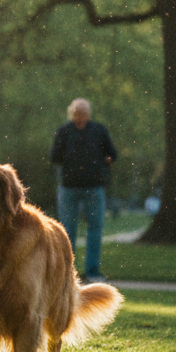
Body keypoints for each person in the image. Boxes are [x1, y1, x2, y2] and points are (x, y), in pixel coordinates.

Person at [49, 98, 118, 283]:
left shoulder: (99, 130)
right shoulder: (64, 132)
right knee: (66, 231)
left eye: (84, 113)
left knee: (95, 229)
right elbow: (54, 156)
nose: (80, 117)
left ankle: (92, 271)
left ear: (89, 114)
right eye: (77, 113)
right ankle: (67, 273)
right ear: (72, 114)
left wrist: (100, 164)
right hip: (69, 188)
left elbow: (112, 154)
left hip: (94, 188)